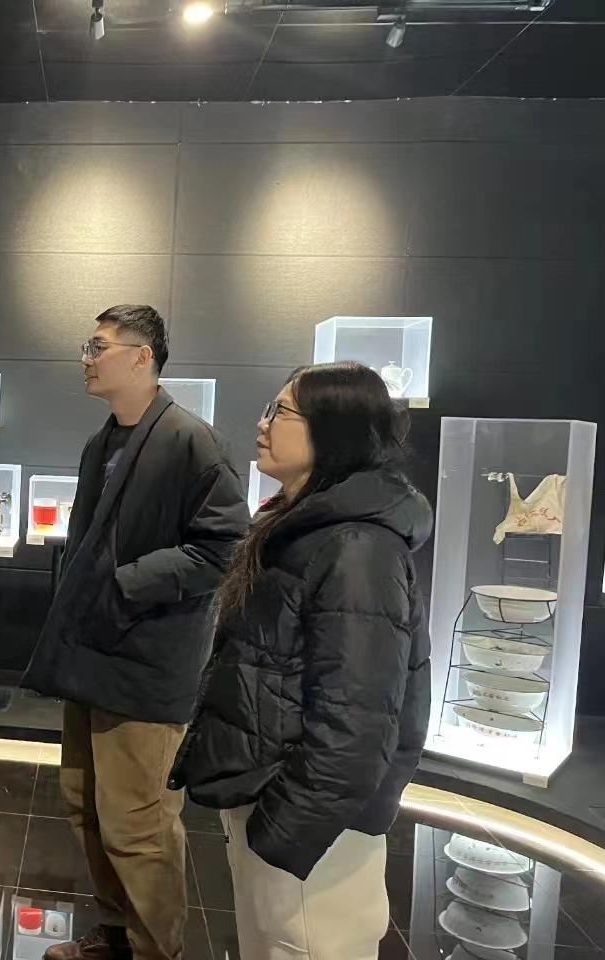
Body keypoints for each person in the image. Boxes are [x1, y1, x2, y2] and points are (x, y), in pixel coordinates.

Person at [171, 361, 433, 960]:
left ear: (333, 428)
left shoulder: (357, 547)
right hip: (275, 801)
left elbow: (358, 723)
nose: (262, 424)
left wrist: (285, 829)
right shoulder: (303, 527)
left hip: (314, 835)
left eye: (280, 411)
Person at [24, 305, 250, 960]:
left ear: (143, 356)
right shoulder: (102, 443)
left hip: (148, 660)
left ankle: (156, 950)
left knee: (138, 822)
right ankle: (117, 934)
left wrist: (126, 583)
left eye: (99, 346)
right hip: (93, 650)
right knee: (86, 805)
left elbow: (225, 547)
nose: (87, 358)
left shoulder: (191, 441)